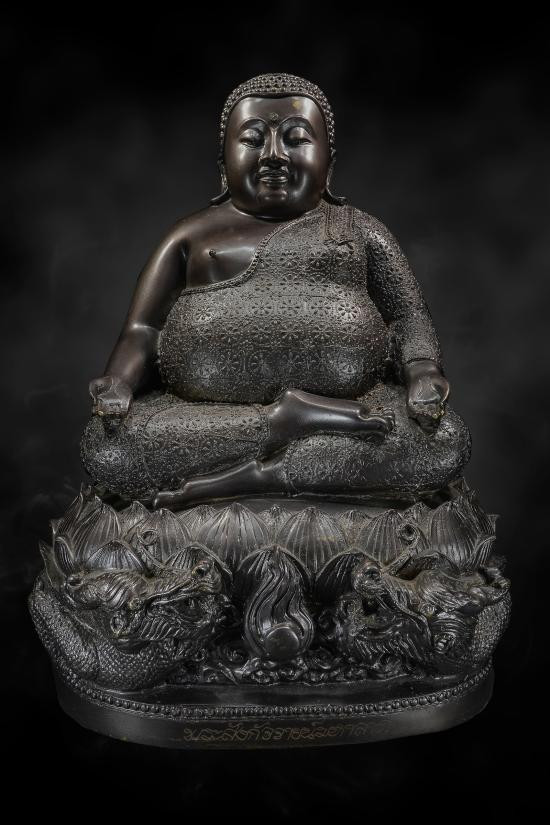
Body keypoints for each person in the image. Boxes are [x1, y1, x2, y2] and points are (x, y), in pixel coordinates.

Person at [81, 73, 470, 508]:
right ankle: (283, 423)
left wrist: (423, 371)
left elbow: (407, 316)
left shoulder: (358, 230)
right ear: (223, 162)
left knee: (442, 441)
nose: (273, 155)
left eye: (296, 139)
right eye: (252, 140)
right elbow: (142, 329)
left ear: (329, 161)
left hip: (356, 407)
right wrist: (118, 382)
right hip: (207, 417)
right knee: (109, 447)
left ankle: (254, 472)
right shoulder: (192, 235)